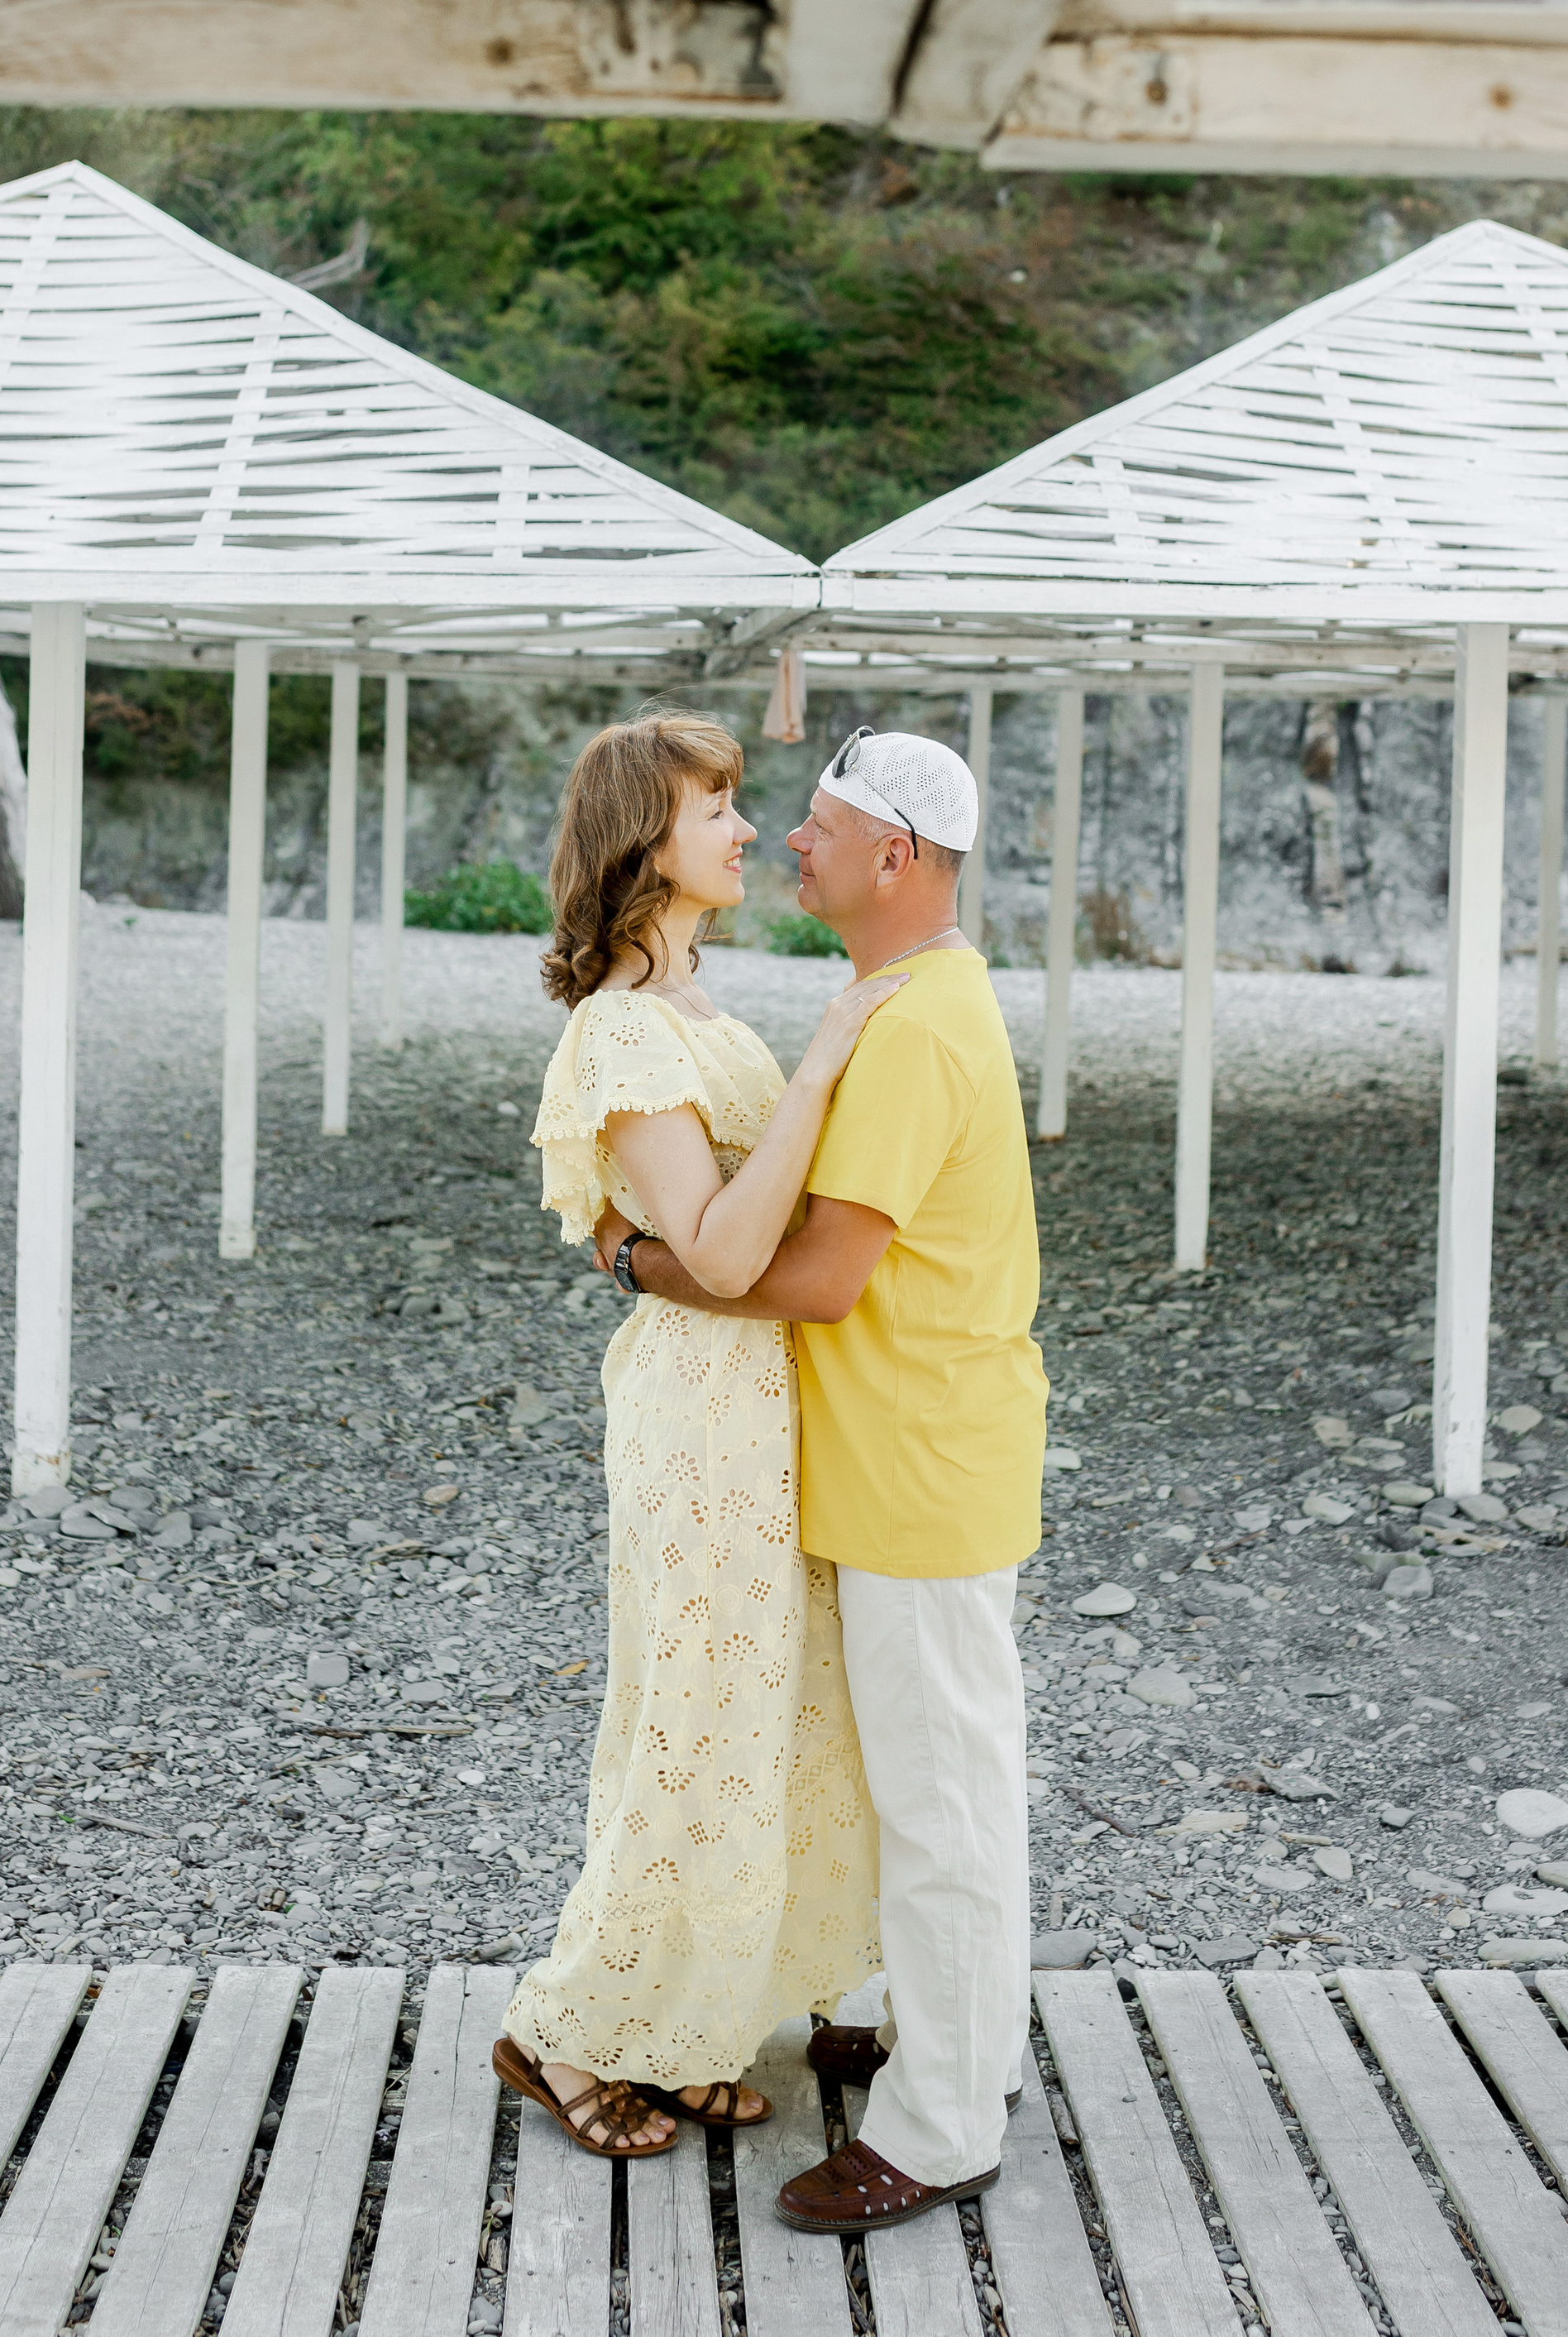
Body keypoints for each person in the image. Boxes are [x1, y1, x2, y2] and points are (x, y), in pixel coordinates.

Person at [603, 725, 1047, 2234]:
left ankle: (940, 2127)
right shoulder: (908, 997)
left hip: (918, 1457)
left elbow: (817, 1281)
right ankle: (959, 2039)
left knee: (943, 1805)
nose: (793, 839)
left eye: (821, 822)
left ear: (895, 857)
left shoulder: (913, 1025)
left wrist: (638, 1260)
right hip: (912, 1452)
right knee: (942, 1781)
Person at [491, 708, 898, 2162]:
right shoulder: (620, 1027)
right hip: (700, 1404)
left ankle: (687, 2031)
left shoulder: (704, 1013)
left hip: (762, 1401)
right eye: (716, 807)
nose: (744, 828)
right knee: (694, 1717)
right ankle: (563, 2035)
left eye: (735, 800)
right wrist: (831, 1053)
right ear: (642, 845)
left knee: (762, 1716)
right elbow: (722, 1256)